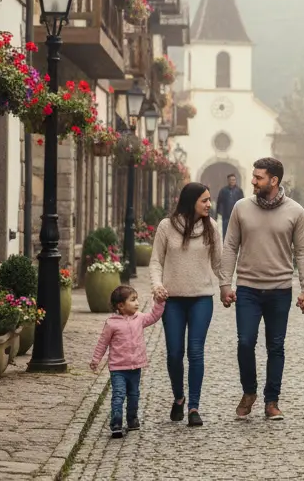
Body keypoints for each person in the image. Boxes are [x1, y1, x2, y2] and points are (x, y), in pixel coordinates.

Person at [219, 157, 304, 422]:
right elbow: (230, 246)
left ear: (274, 180)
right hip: (248, 288)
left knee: (276, 347)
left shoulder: (295, 211)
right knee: (245, 342)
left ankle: (272, 401)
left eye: (258, 177)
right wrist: (225, 283)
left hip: (280, 289)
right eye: (253, 176)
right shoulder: (241, 207)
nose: (253, 181)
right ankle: (249, 391)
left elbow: (303, 252)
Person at [149, 182, 222, 427]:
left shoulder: (212, 227)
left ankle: (194, 407)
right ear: (191, 201)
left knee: (195, 351)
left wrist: (228, 287)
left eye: (209, 199)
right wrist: (157, 285)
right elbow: (156, 261)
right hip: (173, 301)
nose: (209, 204)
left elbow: (219, 264)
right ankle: (179, 397)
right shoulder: (166, 226)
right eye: (205, 200)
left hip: (201, 298)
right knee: (174, 353)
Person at [89, 285, 167, 438]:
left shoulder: (139, 318)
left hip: (135, 367)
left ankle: (132, 419)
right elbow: (102, 343)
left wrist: (159, 302)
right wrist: (96, 360)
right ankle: (116, 423)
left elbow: (154, 316)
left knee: (134, 394)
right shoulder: (112, 323)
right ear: (121, 305)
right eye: (133, 300)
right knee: (118, 395)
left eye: (136, 299)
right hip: (118, 368)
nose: (137, 303)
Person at [215, 174, 243, 239]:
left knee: (236, 233)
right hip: (226, 216)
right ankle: (226, 244)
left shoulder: (239, 191)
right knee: (225, 233)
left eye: (234, 180)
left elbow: (242, 203)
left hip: (236, 215)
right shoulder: (223, 191)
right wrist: (217, 214)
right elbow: (219, 202)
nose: (232, 181)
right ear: (228, 180)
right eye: (231, 180)